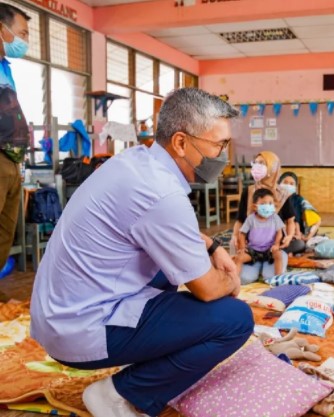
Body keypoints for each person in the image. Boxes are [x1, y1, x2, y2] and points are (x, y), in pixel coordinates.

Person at [30, 88, 254, 417]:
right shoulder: (162, 193)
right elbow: (207, 289)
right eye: (219, 144)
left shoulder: (136, 162)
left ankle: (144, 357)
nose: (223, 155)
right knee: (234, 319)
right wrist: (231, 280)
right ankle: (119, 393)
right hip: (82, 329)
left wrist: (213, 245)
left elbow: (163, 230)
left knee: (171, 268)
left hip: (60, 315)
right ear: (181, 142)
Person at [233, 151, 295, 283]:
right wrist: (235, 237)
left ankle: (269, 265)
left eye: (262, 163)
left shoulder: (283, 194)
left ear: (273, 168)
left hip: (274, 247)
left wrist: (289, 237)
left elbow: (290, 221)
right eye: (255, 163)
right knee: (244, 278)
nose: (257, 166)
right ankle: (254, 265)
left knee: (270, 277)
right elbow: (240, 220)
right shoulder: (249, 191)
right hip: (252, 247)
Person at [0, 4, 29, 272]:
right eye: (22, 33)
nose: (25, 41)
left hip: (11, 159)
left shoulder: (5, 68)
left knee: (5, 232)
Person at [235, 188, 285, 277]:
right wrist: (242, 247)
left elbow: (279, 232)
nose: (267, 206)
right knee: (239, 258)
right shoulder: (251, 219)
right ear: (255, 206)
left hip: (269, 249)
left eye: (270, 203)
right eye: (263, 204)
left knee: (278, 255)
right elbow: (242, 233)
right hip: (253, 250)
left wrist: (276, 244)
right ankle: (233, 280)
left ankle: (278, 277)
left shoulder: (275, 217)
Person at [278, 171, 321, 254]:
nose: (288, 186)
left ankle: (279, 251)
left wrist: (307, 237)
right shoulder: (273, 198)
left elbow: (316, 221)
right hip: (275, 236)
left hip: (294, 237)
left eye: (291, 184)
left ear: (295, 187)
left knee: (300, 245)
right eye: (285, 182)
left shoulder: (299, 201)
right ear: (279, 184)